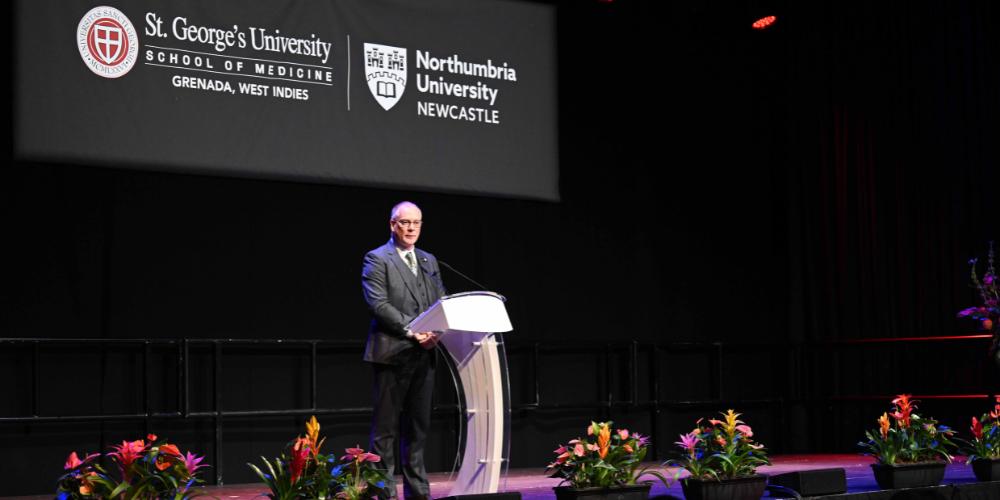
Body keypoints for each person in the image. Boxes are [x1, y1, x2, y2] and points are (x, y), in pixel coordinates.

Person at [362, 201, 445, 500]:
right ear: (392, 224)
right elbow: (379, 304)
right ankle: (381, 492)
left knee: (418, 427)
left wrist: (436, 331)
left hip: (425, 354)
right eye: (405, 222)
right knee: (385, 430)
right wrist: (413, 330)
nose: (411, 228)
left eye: (416, 223)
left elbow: (441, 300)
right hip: (392, 353)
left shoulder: (428, 260)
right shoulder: (377, 258)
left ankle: (418, 491)